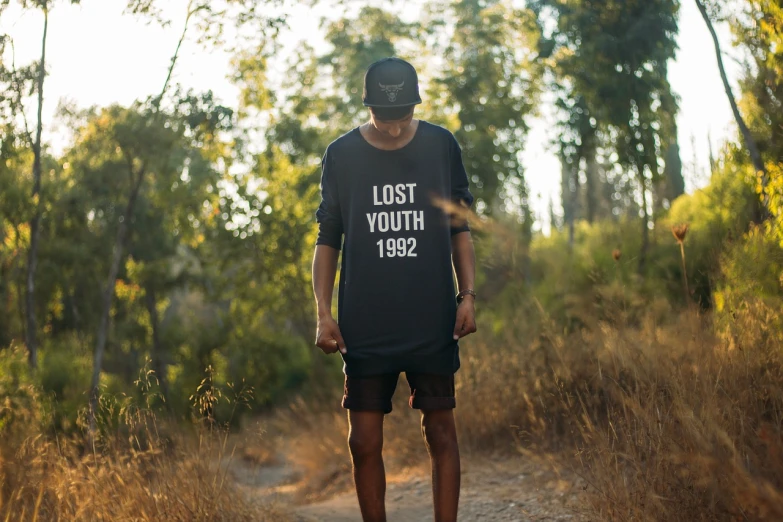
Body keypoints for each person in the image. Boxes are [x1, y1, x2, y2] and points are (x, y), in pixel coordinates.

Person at [311, 57, 477, 522]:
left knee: (441, 432)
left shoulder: (441, 145)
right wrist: (323, 312)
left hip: (432, 317)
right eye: (384, 118)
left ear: (415, 105)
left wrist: (467, 295)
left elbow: (459, 227)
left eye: (402, 116)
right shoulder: (341, 155)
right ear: (367, 108)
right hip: (365, 324)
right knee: (363, 442)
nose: (393, 127)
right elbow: (328, 238)